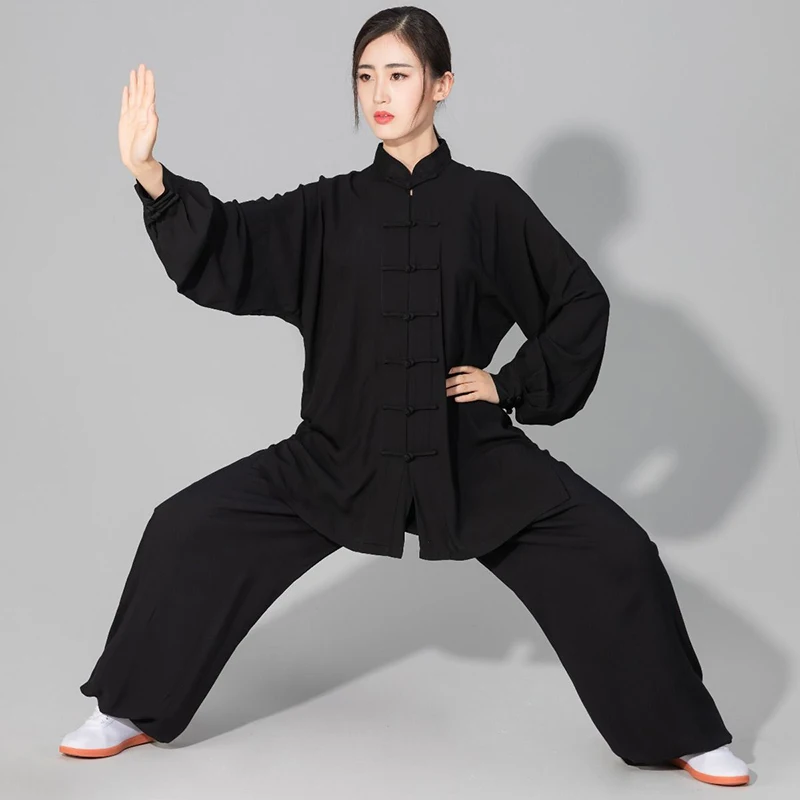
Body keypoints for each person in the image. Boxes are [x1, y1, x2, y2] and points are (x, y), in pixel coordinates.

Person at [60, 7, 750, 787]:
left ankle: (682, 733)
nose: (378, 94)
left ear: (441, 85)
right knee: (184, 529)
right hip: (339, 453)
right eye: (365, 76)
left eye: (398, 74)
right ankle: (128, 709)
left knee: (619, 553)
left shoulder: (492, 205)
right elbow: (233, 244)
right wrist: (151, 174)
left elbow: (579, 303)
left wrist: (509, 384)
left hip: (470, 456)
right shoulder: (327, 209)